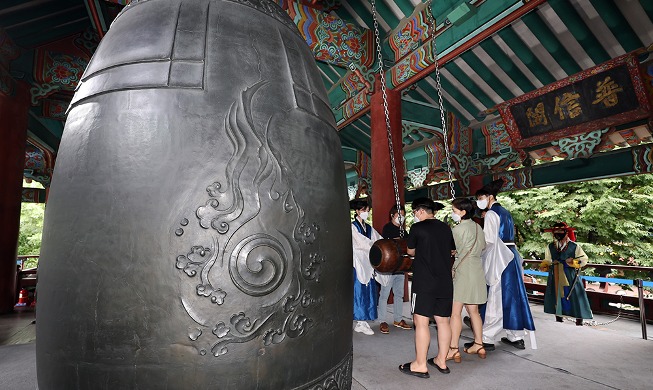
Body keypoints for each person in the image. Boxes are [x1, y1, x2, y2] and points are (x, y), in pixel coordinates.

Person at [467, 179, 535, 351]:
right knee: (512, 296)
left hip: (499, 258)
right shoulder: (505, 212)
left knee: (496, 298)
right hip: (511, 256)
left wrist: (476, 254)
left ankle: (486, 338)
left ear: (490, 197)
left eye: (481, 197)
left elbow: (488, 241)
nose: (479, 201)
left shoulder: (490, 214)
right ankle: (516, 336)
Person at [399, 198, 454, 378]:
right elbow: (452, 251)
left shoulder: (417, 228)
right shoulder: (446, 228)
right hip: (445, 281)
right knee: (443, 321)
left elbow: (410, 251)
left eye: (415, 212)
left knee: (421, 322)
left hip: (424, 282)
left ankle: (420, 364)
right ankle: (442, 360)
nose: (415, 215)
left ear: (421, 211)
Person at [449, 198, 487, 362]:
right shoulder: (478, 227)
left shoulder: (457, 229)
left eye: (454, 211)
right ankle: (479, 344)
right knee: (474, 312)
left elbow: (453, 248)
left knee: (455, 312)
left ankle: (453, 349)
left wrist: (456, 253)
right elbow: (483, 246)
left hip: (463, 271)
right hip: (477, 269)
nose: (453, 214)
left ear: (463, 212)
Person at [540, 222, 592, 326]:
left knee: (574, 295)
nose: (558, 233)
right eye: (556, 231)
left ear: (566, 232)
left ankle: (579, 318)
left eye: (560, 231)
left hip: (570, 274)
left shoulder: (574, 246)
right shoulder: (551, 246)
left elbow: (584, 259)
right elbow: (547, 260)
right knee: (556, 294)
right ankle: (558, 316)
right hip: (555, 273)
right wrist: (544, 265)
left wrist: (573, 262)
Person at [350, 199, 388, 335]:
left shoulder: (369, 227)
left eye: (367, 211)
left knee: (369, 290)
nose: (366, 213)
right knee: (359, 290)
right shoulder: (353, 226)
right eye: (363, 210)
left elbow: (378, 239)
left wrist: (385, 244)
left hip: (368, 262)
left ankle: (364, 320)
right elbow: (360, 242)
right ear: (357, 211)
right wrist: (374, 245)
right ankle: (360, 321)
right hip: (359, 262)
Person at [378, 205, 412, 334]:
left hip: (401, 267)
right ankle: (382, 320)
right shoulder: (388, 228)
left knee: (399, 294)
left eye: (403, 215)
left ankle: (398, 319)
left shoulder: (404, 230)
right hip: (389, 268)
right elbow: (390, 244)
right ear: (392, 215)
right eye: (399, 215)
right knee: (384, 294)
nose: (401, 218)